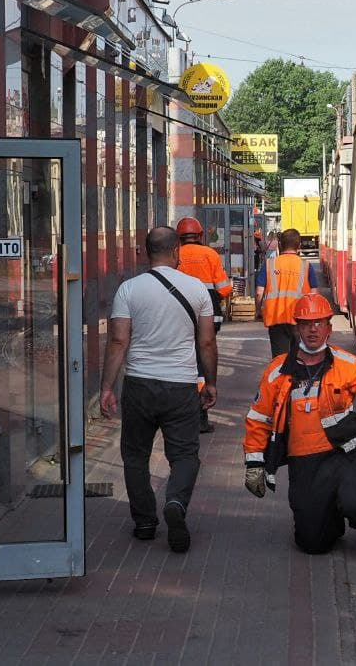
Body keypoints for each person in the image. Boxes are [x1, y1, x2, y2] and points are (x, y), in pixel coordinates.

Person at [242, 294, 356, 554]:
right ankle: (329, 519)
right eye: (306, 323)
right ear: (297, 327)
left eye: (319, 323)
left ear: (329, 328)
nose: (313, 329)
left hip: (344, 453)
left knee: (355, 505)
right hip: (305, 461)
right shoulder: (277, 372)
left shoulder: (345, 364)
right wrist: (254, 463)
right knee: (311, 544)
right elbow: (259, 418)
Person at [100, 226, 218, 553]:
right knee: (184, 455)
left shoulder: (128, 290)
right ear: (177, 250)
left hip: (139, 385)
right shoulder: (196, 289)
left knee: (135, 454)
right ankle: (176, 503)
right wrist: (210, 382)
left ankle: (145, 522)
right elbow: (206, 341)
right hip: (181, 386)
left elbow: (118, 340)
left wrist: (107, 387)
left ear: (145, 252)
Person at [176, 216, 232, 434]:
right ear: (200, 235)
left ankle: (185, 414)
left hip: (181, 319)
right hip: (209, 319)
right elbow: (224, 289)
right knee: (202, 363)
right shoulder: (210, 255)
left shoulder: (176, 255)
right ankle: (201, 414)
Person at [256, 228, 320, 356]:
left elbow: (259, 292)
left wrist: (259, 311)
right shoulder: (306, 266)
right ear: (299, 245)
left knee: (280, 360)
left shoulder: (269, 264)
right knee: (300, 357)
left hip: (276, 319)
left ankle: (282, 375)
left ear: (280, 245)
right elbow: (314, 294)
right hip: (300, 320)